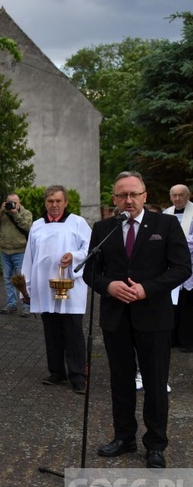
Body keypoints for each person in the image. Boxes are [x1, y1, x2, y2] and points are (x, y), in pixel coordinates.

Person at [84, 171, 191, 469]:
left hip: (154, 317)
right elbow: (89, 271)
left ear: (144, 196)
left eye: (134, 194)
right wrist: (108, 286)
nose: (128, 200)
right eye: (122, 195)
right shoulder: (104, 227)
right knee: (120, 381)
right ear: (115, 199)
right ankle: (124, 437)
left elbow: (182, 268)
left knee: (156, 384)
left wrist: (147, 289)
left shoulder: (165, 224)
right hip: (116, 319)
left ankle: (155, 444)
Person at [21, 185, 91, 393]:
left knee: (73, 332)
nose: (54, 205)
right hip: (44, 287)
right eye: (50, 201)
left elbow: (90, 249)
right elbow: (29, 257)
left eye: (58, 201)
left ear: (66, 202)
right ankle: (57, 371)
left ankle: (78, 375)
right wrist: (26, 288)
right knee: (51, 331)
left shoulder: (77, 223)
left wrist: (74, 256)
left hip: (70, 287)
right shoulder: (37, 225)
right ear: (45, 203)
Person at [0, 193, 33, 317]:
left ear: (19, 203)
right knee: (8, 280)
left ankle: (26, 306)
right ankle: (11, 304)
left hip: (20, 251)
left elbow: (28, 227)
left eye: (15, 202)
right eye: (9, 202)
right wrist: (1, 212)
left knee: (23, 280)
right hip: (5, 251)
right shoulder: (3, 213)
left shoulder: (26, 213)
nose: (12, 205)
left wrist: (15, 214)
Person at [163, 184, 193, 352]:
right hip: (172, 266)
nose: (177, 199)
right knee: (173, 303)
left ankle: (188, 340)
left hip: (191, 267)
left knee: (189, 304)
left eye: (181, 195)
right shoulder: (167, 213)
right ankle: (172, 337)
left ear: (188, 196)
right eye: (174, 195)